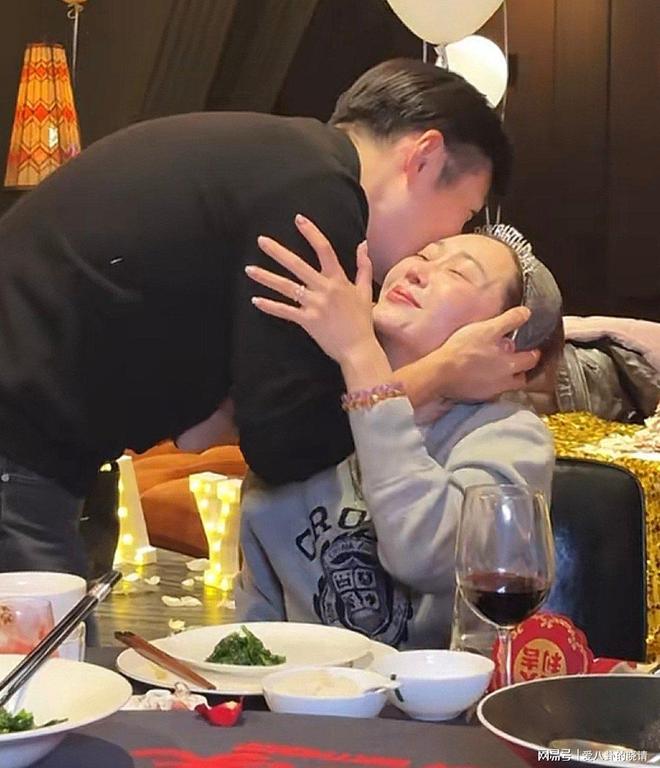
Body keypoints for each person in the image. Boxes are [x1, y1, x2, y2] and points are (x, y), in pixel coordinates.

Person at [0, 58, 535, 576]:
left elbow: (218, 426)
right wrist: (436, 374)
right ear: (424, 158)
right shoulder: (317, 195)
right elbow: (285, 444)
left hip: (38, 440)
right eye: (464, 214)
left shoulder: (284, 162)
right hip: (19, 440)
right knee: (42, 636)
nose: (440, 242)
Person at [235, 223, 561, 648]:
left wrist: (361, 354)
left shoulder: (509, 437)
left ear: (504, 339)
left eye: (458, 273)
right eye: (423, 255)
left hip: (434, 690)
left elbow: (426, 556)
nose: (417, 271)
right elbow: (257, 618)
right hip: (300, 688)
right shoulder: (308, 419)